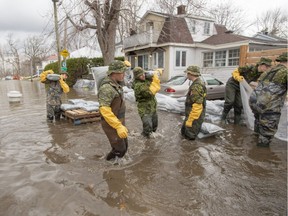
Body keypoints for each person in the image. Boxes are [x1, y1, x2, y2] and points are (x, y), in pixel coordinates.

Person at [249, 52, 287, 147]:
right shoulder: (286, 72)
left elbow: (257, 85)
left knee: (258, 122)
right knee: (266, 132)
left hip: (255, 102)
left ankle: (254, 141)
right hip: (268, 106)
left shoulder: (269, 71)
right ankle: (260, 154)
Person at [98, 60, 131, 161]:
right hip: (111, 124)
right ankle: (108, 164)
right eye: (122, 72)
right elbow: (104, 110)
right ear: (114, 73)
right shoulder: (107, 88)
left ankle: (116, 161)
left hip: (119, 122)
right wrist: (118, 126)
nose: (124, 74)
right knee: (120, 149)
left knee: (125, 146)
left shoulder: (116, 83)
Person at [132, 67, 162, 138]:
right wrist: (155, 80)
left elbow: (151, 76)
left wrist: (155, 73)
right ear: (137, 77)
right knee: (148, 129)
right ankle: (146, 142)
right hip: (144, 109)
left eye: (143, 74)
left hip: (152, 107)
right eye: (140, 75)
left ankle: (152, 139)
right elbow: (151, 92)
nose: (143, 76)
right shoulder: (138, 85)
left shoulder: (145, 79)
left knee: (155, 126)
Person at [181, 65, 206, 140]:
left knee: (189, 138)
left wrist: (190, 120)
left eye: (187, 73)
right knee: (184, 133)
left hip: (194, 117)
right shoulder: (197, 83)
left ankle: (189, 151)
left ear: (191, 74)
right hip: (191, 115)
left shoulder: (196, 86)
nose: (186, 75)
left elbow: (197, 106)